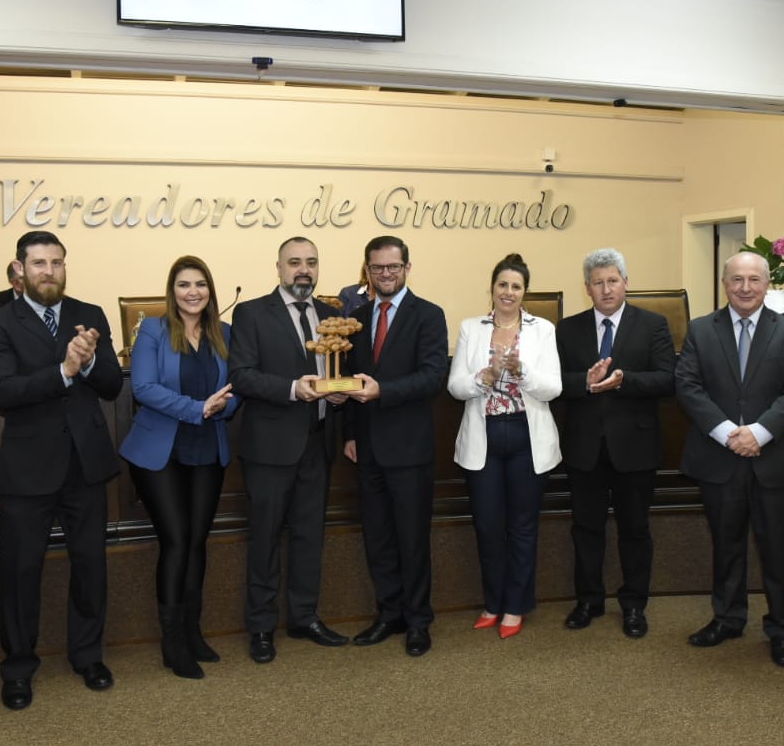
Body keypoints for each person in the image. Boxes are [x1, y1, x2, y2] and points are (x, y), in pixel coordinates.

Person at [0, 230, 123, 710]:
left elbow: (108, 386)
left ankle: (88, 655)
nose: (49, 271)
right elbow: (2, 392)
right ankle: (18, 667)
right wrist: (63, 370)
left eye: (57, 262)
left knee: (91, 567)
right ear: (19, 269)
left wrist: (84, 366)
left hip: (85, 465)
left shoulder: (90, 315)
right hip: (27, 469)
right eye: (38, 263)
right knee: (20, 573)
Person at [674, 251, 784, 668]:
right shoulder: (700, 330)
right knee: (726, 545)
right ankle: (728, 619)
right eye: (737, 280)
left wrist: (759, 433)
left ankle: (782, 628)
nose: (745, 288)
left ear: (767, 284)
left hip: (774, 460)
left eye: (754, 279)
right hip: (720, 458)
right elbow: (688, 385)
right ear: (724, 283)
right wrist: (728, 434)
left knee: (777, 550)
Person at [227, 236, 350, 663]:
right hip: (269, 450)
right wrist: (291, 389)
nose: (304, 270)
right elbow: (241, 375)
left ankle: (304, 617)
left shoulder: (334, 315)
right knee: (264, 541)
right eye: (294, 262)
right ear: (278, 268)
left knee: (308, 538)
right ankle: (261, 627)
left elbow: (341, 372)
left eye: (311, 262)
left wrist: (339, 394)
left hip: (318, 444)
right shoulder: (251, 313)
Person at [118, 255, 239, 679]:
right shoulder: (152, 329)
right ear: (172, 291)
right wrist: (198, 408)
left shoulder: (224, 332)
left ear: (210, 290)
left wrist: (222, 407)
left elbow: (236, 389)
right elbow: (144, 387)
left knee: (197, 542)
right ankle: (172, 643)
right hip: (158, 452)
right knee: (176, 540)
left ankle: (192, 632)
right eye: (184, 285)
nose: (193, 292)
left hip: (208, 446)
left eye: (200, 284)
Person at [555, 248, 675, 638]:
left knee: (635, 530)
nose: (606, 289)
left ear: (626, 282)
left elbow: (668, 379)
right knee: (586, 528)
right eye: (597, 282)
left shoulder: (653, 325)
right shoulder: (567, 329)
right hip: (584, 447)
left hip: (634, 447)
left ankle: (634, 604)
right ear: (587, 288)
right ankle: (588, 600)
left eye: (613, 280)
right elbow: (554, 383)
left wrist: (627, 381)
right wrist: (584, 383)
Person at [342, 236, 449, 657]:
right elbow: (351, 378)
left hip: (409, 449)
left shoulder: (429, 315)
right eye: (377, 268)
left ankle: (419, 621)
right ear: (367, 270)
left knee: (412, 538)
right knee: (379, 538)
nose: (385, 274)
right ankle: (389, 614)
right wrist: (349, 432)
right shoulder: (357, 316)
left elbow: (431, 376)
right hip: (366, 447)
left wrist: (383, 390)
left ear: (407, 268)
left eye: (393, 267)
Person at [447, 253, 562, 639]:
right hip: (485, 438)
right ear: (492, 288)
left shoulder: (543, 329)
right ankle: (492, 602)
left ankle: (515, 606)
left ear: (524, 291)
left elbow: (554, 387)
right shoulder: (471, 329)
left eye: (515, 286)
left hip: (528, 438)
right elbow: (455, 386)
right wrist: (486, 375)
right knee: (489, 526)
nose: (508, 292)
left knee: (523, 527)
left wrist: (520, 372)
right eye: (502, 285)